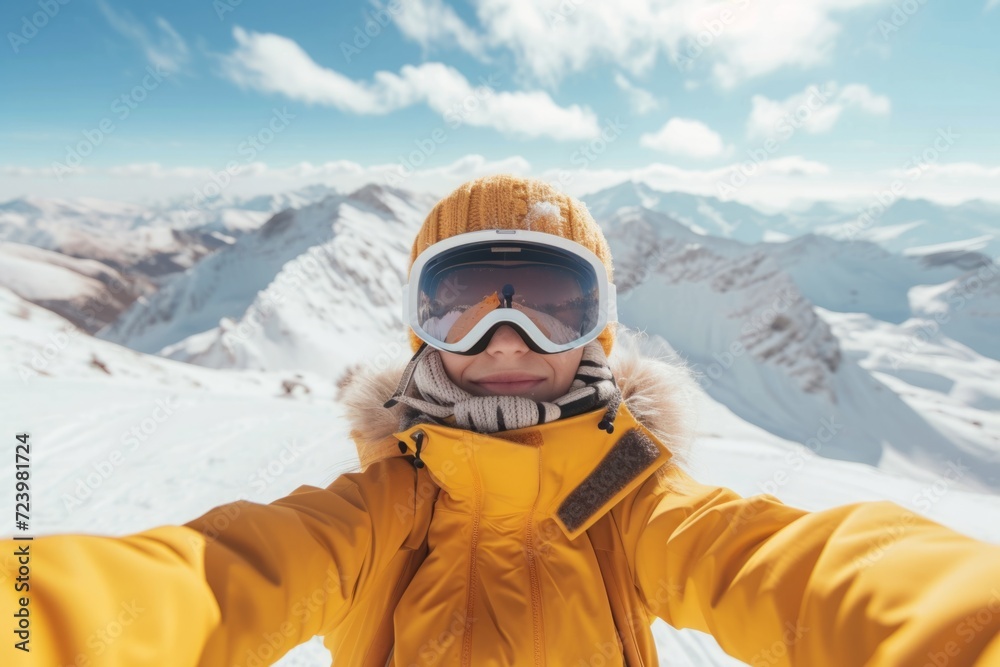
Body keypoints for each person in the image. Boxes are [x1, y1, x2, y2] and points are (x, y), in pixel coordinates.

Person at [3, 174, 1000, 667]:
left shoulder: (631, 503)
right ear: (417, 327)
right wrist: (28, 619)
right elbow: (214, 579)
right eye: (465, 304)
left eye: (550, 304)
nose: (507, 340)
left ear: (600, 331)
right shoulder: (382, 507)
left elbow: (787, 563)